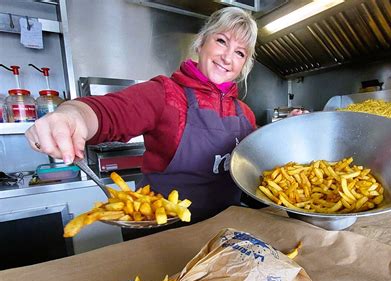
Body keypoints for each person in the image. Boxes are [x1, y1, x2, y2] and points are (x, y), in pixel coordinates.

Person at [26, 7, 258, 237]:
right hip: (162, 236)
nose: (228, 57)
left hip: (225, 236)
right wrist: (72, 115)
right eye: (221, 41)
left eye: (240, 53)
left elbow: (260, 159)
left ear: (244, 65)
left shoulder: (245, 114)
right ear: (201, 43)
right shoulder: (165, 94)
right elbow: (109, 112)